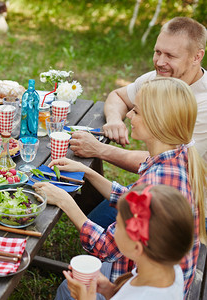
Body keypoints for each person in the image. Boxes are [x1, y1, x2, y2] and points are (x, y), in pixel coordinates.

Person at [34, 77, 206, 298]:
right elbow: (133, 199)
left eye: (136, 111)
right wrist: (86, 171)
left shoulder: (159, 180)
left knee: (67, 290)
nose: (128, 115)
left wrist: (66, 201)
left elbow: (106, 247)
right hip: (156, 275)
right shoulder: (175, 155)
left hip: (149, 282)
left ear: (157, 121)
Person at [70, 16, 207, 229]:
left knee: (103, 230)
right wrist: (115, 120)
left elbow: (169, 162)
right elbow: (118, 95)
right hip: (153, 186)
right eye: (157, 52)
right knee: (96, 218)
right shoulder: (159, 78)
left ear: (197, 56)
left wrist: (99, 149)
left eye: (170, 55)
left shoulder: (203, 103)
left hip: (189, 207)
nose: (160, 62)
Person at [64, 185, 193, 300]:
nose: (112, 227)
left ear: (137, 248)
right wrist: (109, 290)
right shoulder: (169, 269)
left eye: (118, 224)